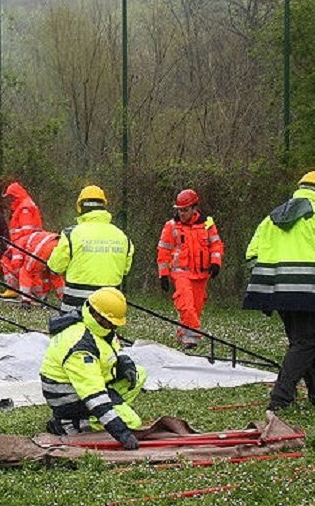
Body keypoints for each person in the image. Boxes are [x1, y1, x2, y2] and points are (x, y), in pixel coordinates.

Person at [242, 171, 315, 411]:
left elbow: (251, 255)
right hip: (313, 292)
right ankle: (281, 397)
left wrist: (275, 276)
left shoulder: (272, 217)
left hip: (279, 292)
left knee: (303, 342)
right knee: (307, 342)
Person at [39, 287, 146, 450]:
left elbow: (112, 347)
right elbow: (94, 396)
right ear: (98, 316)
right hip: (70, 399)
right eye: (111, 323)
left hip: (86, 387)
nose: (113, 327)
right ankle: (72, 424)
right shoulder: (81, 347)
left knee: (139, 374)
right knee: (133, 423)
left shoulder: (99, 327)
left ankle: (105, 414)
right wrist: (122, 432)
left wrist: (124, 362)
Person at [46, 184, 133, 313]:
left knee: (70, 332)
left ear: (80, 207)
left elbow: (55, 267)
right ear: (104, 206)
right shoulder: (122, 237)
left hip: (76, 302)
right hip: (110, 303)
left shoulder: (71, 234)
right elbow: (125, 270)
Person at [158, 189, 224, 348]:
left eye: (185, 210)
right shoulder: (171, 226)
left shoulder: (208, 224)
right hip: (180, 273)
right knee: (186, 305)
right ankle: (193, 337)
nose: (181, 213)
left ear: (195, 208)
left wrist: (216, 262)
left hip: (201, 274)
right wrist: (163, 274)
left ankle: (184, 334)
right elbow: (163, 251)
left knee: (195, 309)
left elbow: (216, 244)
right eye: (179, 210)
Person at [0, 181, 43, 298]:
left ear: (15, 195)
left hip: (24, 244)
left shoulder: (25, 207)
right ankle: (28, 292)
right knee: (25, 268)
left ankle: (27, 293)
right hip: (23, 243)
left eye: (10, 197)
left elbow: (27, 230)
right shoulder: (24, 205)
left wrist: (18, 247)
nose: (9, 201)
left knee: (23, 268)